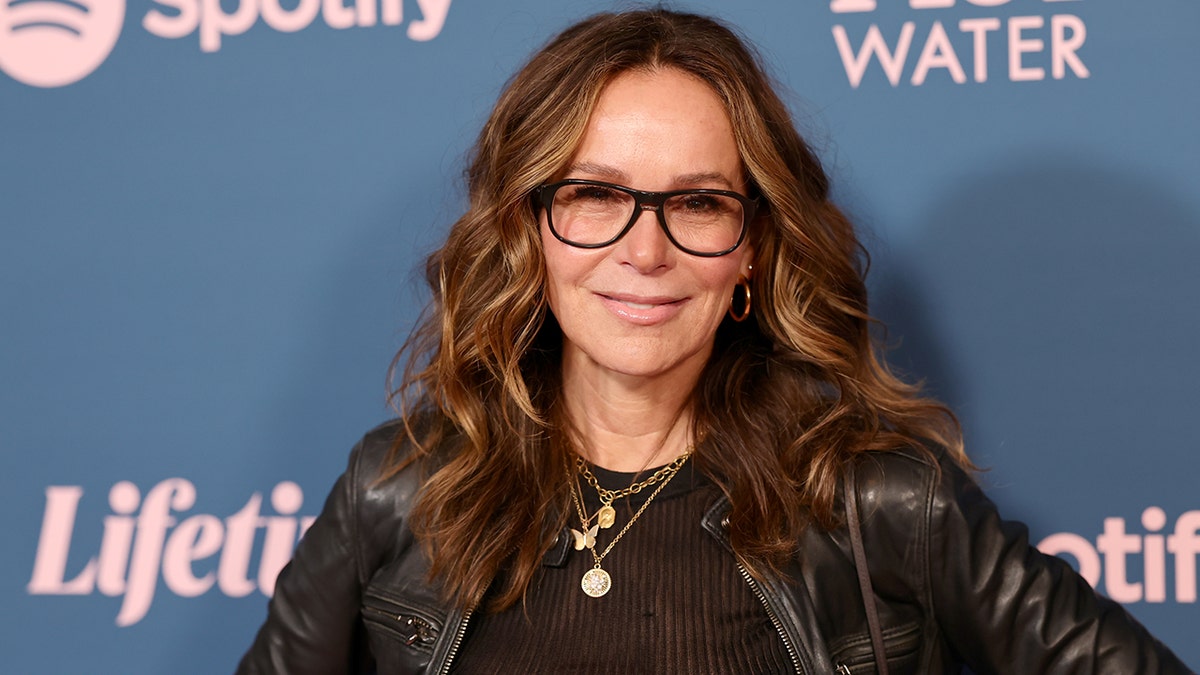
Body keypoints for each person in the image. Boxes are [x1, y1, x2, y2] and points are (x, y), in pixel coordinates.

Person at [238, 9, 1190, 674]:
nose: (643, 250)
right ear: (530, 231)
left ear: (751, 252)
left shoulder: (880, 504)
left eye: (697, 203)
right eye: (596, 195)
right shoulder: (395, 492)